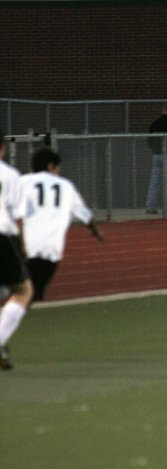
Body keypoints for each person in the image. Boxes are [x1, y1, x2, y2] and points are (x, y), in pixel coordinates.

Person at [20, 146, 103, 303]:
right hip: (51, 250)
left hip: (25, 247)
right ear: (51, 166)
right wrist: (95, 230)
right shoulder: (65, 186)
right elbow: (83, 213)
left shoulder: (22, 182)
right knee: (35, 293)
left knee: (22, 290)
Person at [0, 131, 33, 370]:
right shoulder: (10, 175)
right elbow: (18, 216)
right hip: (2, 235)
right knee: (23, 290)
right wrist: (23, 245)